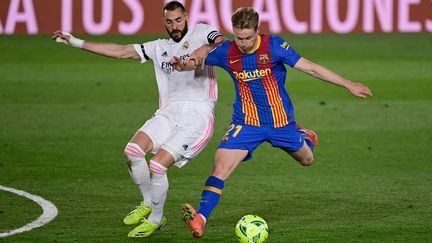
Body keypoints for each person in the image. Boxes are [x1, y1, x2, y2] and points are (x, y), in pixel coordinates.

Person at [170, 7, 372, 238]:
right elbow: (200, 57)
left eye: (248, 37)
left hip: (281, 123)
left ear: (258, 30)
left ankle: (304, 135)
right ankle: (201, 219)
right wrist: (184, 63)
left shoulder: (274, 47)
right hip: (246, 123)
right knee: (220, 166)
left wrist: (349, 84)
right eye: (238, 37)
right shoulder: (227, 51)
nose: (243, 43)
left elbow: (313, 69)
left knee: (307, 159)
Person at [52, 1, 224, 238]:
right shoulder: (158, 47)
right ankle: (148, 202)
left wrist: (205, 48)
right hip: (170, 111)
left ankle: (156, 218)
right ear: (163, 22)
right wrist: (76, 42)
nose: (174, 26)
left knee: (157, 165)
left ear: (187, 16)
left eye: (178, 20)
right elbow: (121, 51)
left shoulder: (201, 31)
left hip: (198, 115)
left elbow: (221, 42)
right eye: (169, 22)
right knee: (132, 151)